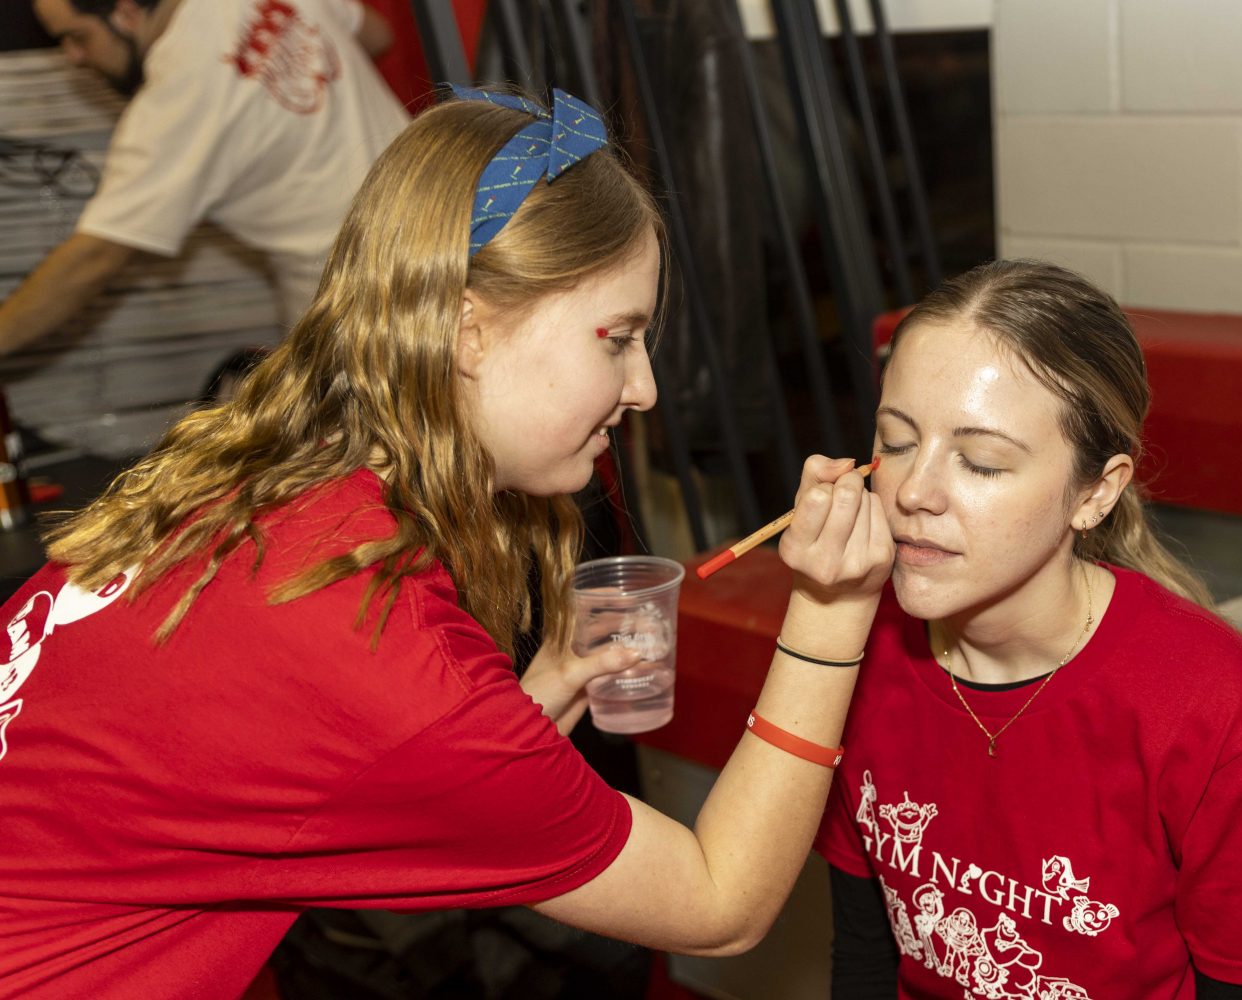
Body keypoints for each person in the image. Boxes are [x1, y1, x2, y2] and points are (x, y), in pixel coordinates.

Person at [0, 87, 895, 998]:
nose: (646, 387)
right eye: (618, 338)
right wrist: (829, 611)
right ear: (470, 331)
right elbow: (719, 902)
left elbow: (366, 773)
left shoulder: (263, 482)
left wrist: (537, 694)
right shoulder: (379, 647)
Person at [815, 260, 1242, 999]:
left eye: (981, 462)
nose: (913, 492)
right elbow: (863, 955)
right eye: (895, 443)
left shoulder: (1221, 715)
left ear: (1096, 492)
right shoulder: (852, 653)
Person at [0, 0, 409, 357]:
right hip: (447, 215)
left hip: (362, 305)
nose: (72, 56)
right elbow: (376, 33)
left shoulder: (175, 101)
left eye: (77, 37)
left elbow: (94, 258)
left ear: (125, 12)